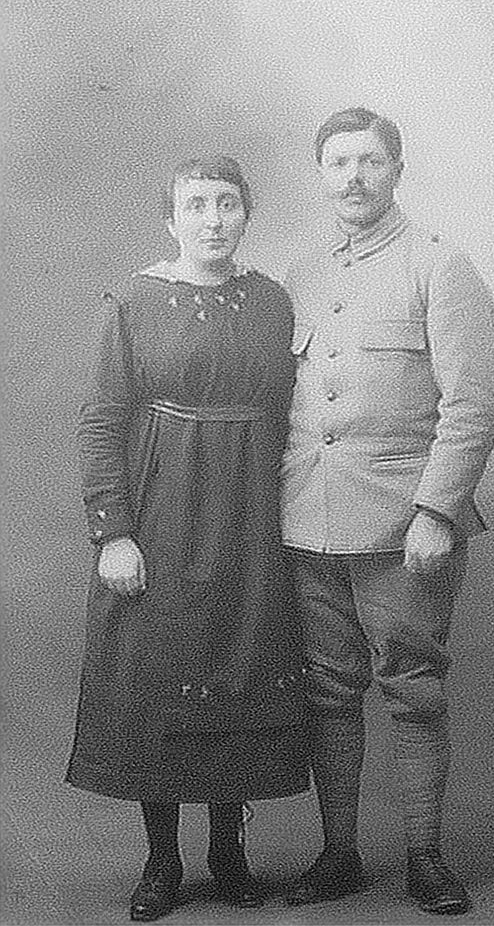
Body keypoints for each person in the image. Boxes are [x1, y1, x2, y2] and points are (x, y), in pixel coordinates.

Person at [66, 155, 309, 922]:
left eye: (227, 204)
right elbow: (101, 420)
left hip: (250, 514)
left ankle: (228, 852)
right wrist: (113, 533)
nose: (213, 220)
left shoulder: (271, 301)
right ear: (171, 220)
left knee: (238, 663)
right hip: (162, 507)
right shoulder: (133, 301)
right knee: (160, 674)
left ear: (246, 214)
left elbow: (292, 411)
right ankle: (162, 860)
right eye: (196, 206)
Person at [281, 107, 494, 915]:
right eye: (338, 163)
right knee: (327, 692)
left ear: (397, 171)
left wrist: (437, 512)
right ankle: (338, 853)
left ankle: (425, 856)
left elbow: (474, 405)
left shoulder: (440, 266)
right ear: (321, 175)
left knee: (412, 690)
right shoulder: (303, 275)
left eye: (369, 161)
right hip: (307, 522)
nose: (353, 178)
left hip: (402, 527)